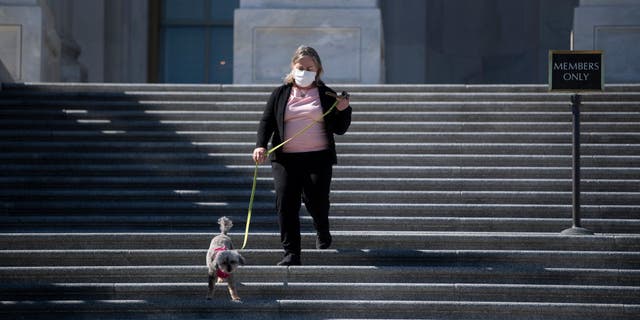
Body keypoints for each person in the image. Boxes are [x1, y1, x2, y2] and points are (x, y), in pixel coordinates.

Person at [252, 45, 352, 266]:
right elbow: (266, 121)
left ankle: (322, 230)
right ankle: (291, 253)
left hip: (318, 158)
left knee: (316, 200)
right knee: (286, 203)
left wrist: (343, 109)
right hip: (285, 159)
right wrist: (260, 145)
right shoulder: (280, 93)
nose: (304, 71)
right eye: (301, 67)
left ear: (318, 70)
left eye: (310, 67)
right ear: (292, 67)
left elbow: (339, 128)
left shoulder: (327, 95)